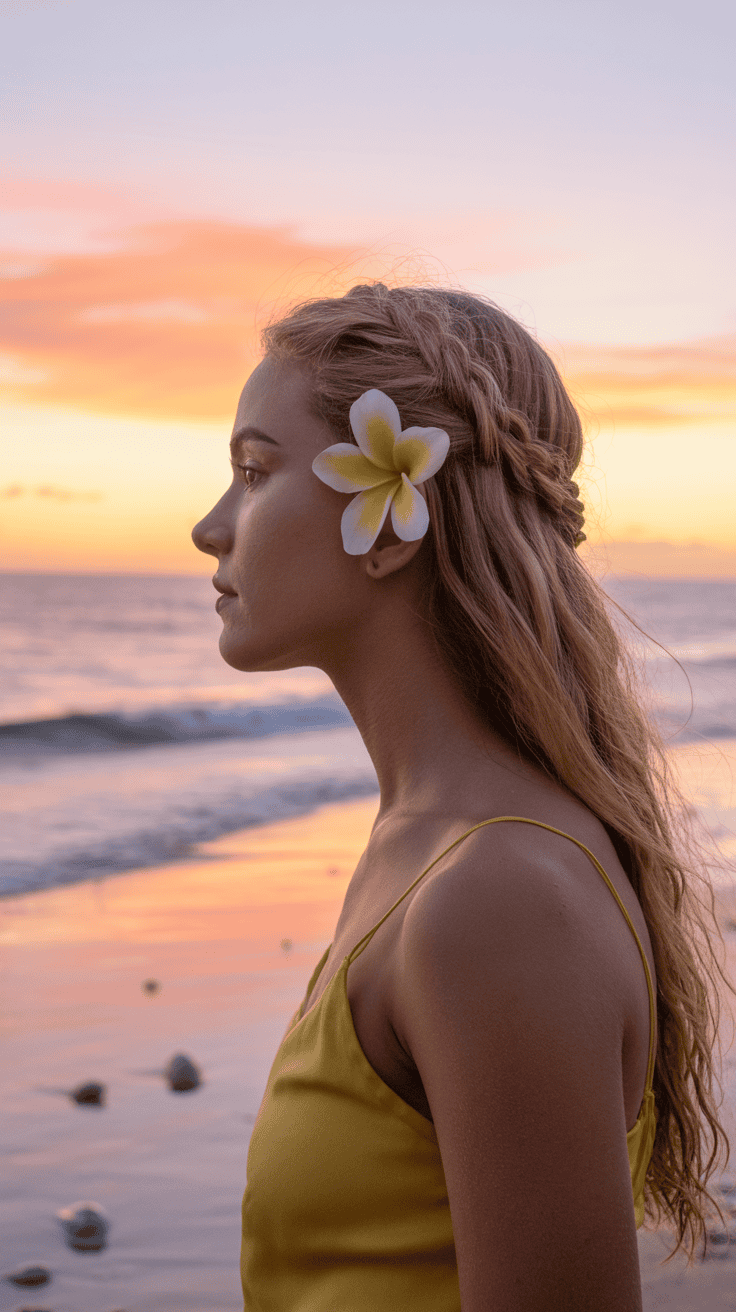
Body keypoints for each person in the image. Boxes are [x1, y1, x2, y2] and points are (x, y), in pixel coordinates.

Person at [192, 283, 734, 1310]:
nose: (209, 527)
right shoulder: (427, 847)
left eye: (255, 472)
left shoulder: (496, 896)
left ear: (391, 526)